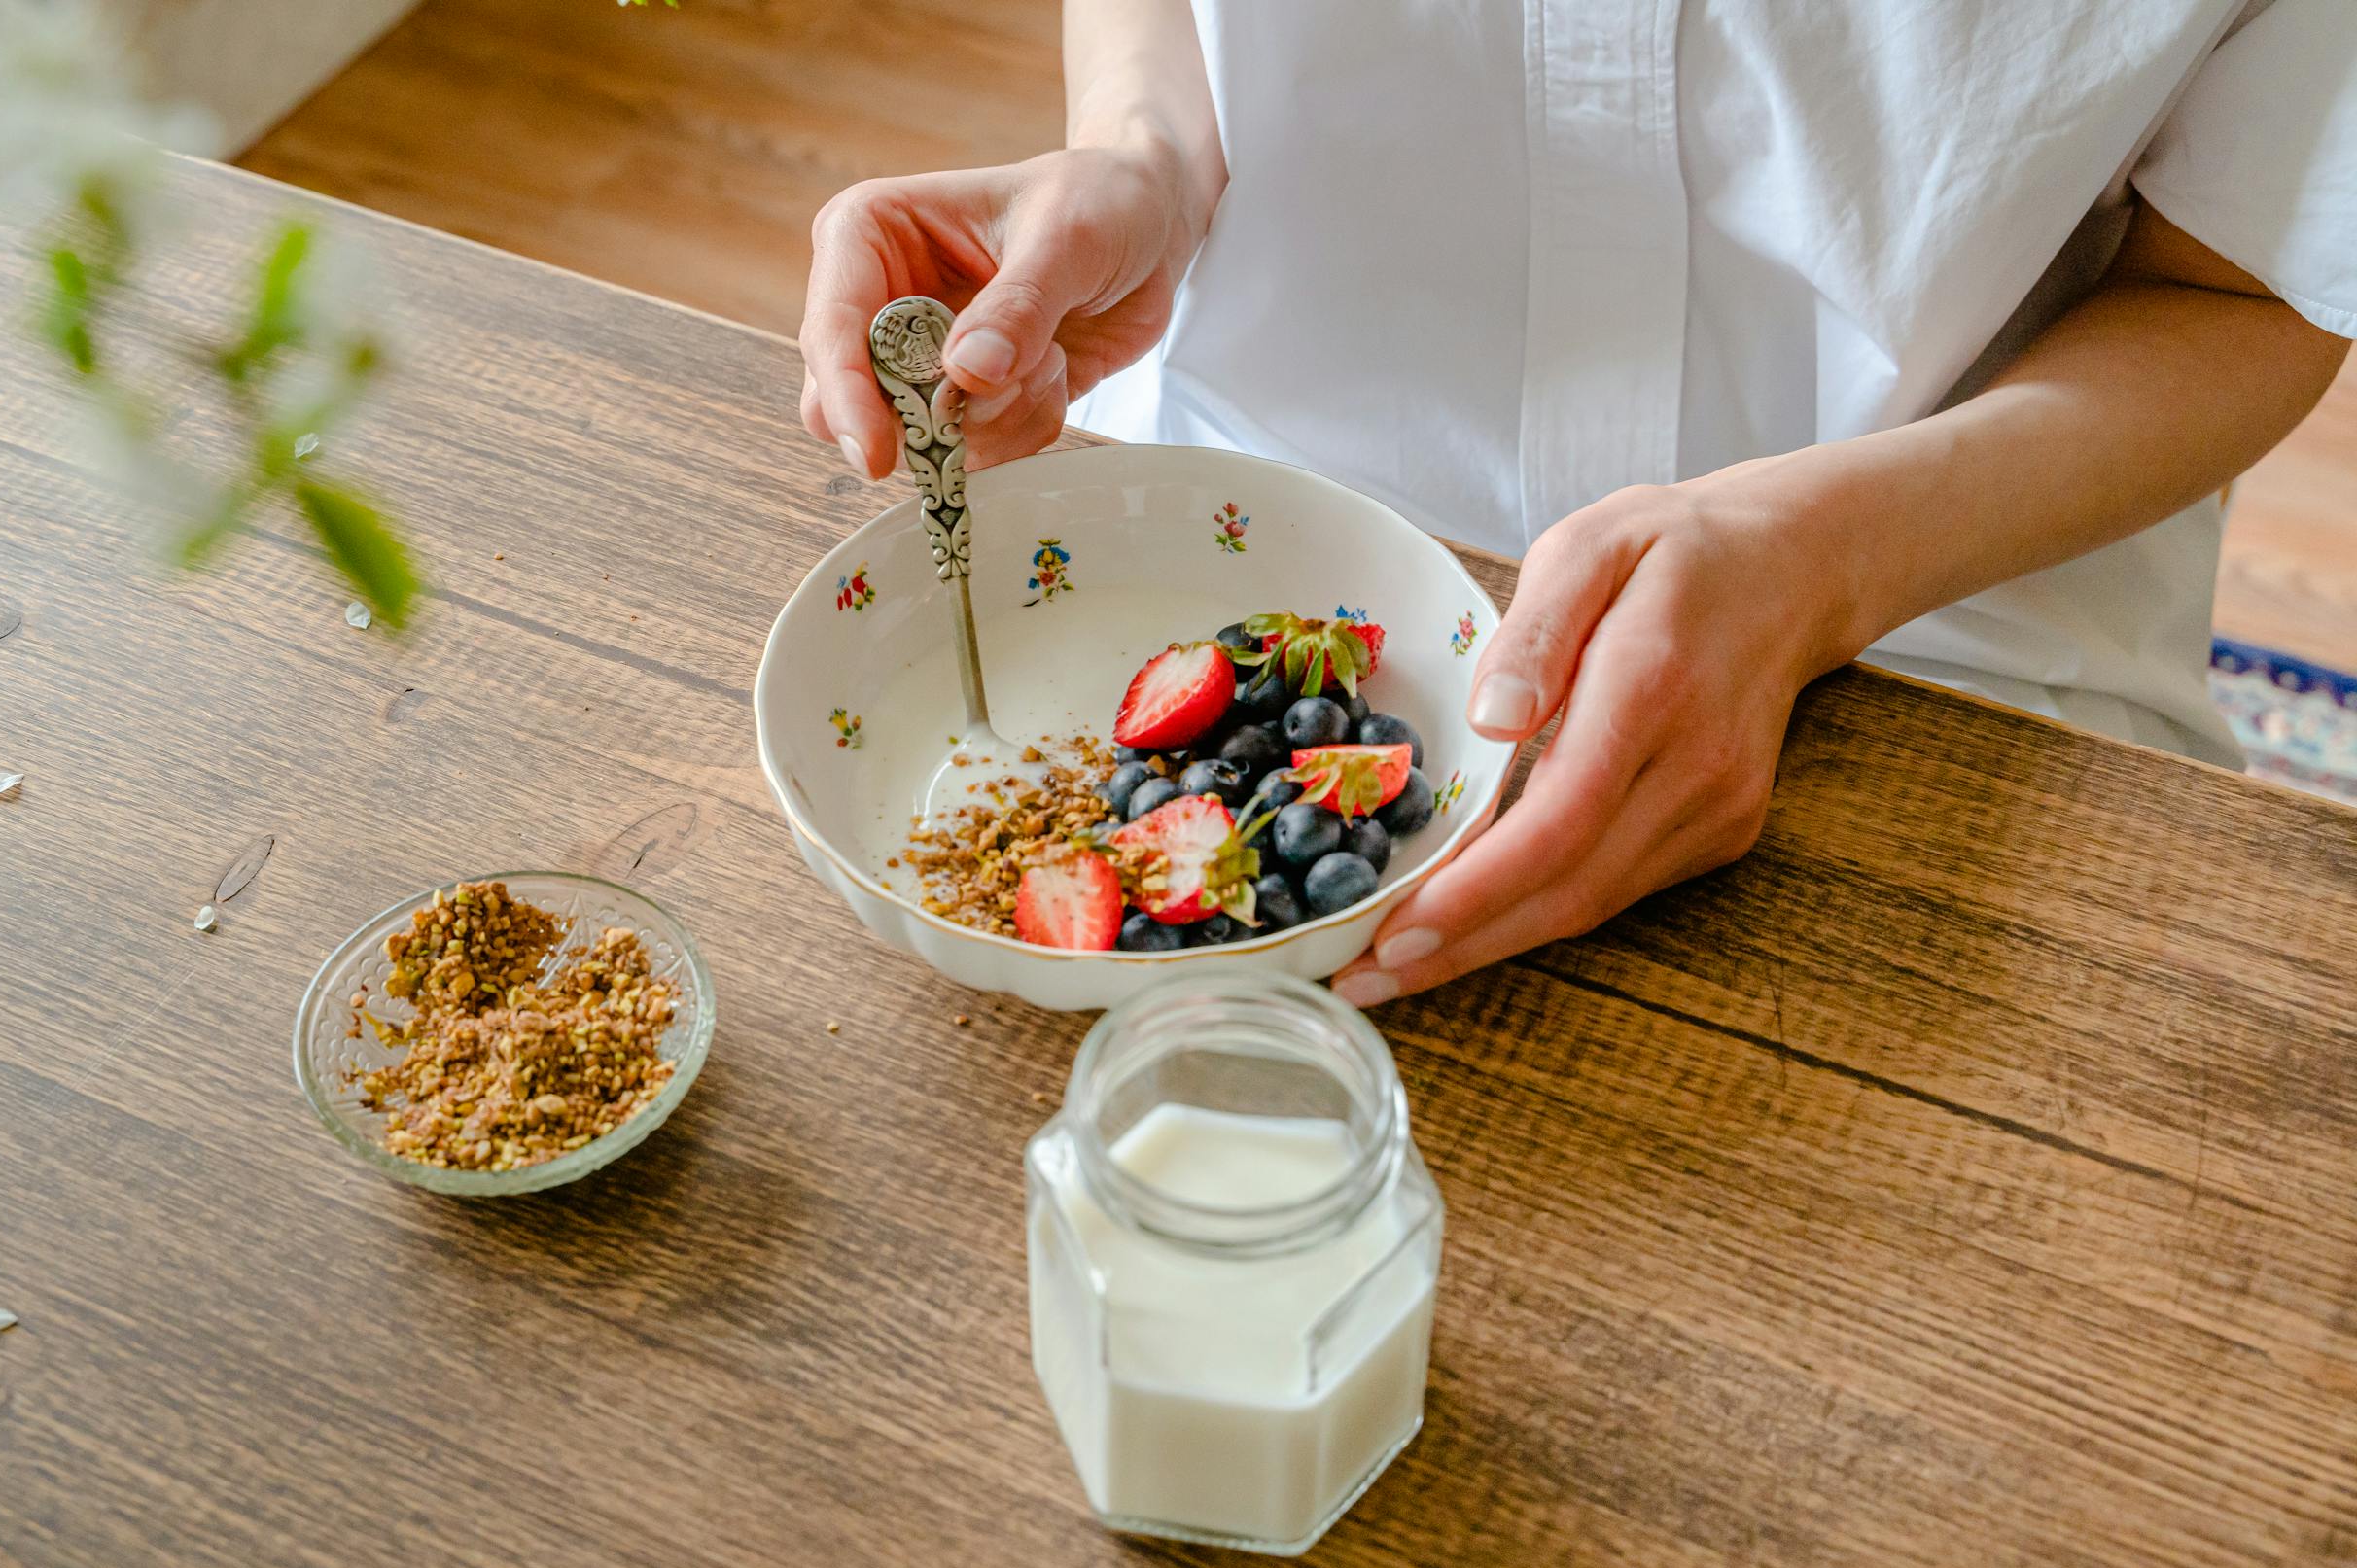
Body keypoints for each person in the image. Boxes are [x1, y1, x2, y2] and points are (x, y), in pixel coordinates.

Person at [798, 1, 2355, 1006]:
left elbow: (2239, 293)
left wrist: (1824, 560)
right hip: (1238, 550)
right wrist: (1144, 148)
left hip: (1940, 654)